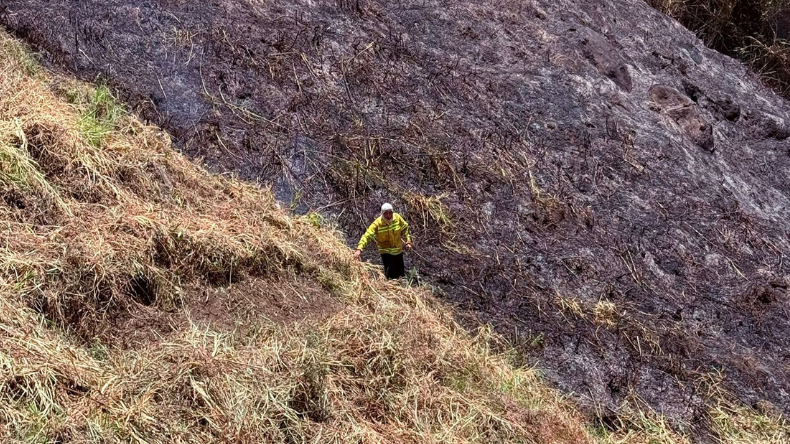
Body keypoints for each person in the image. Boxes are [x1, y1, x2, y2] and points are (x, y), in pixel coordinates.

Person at [354, 203, 413, 279]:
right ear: (382, 214)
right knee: (390, 274)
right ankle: (390, 283)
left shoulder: (397, 218)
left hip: (398, 250)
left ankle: (401, 284)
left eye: (390, 213)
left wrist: (408, 241)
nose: (388, 215)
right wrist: (359, 249)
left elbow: (405, 228)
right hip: (385, 251)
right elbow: (367, 236)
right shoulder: (377, 223)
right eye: (386, 213)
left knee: (400, 273)